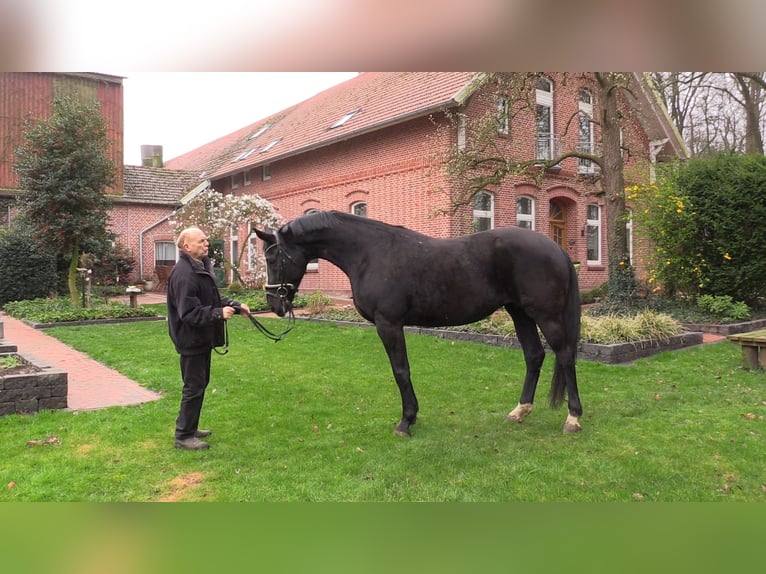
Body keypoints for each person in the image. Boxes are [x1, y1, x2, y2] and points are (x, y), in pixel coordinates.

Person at [166, 226, 250, 450]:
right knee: (193, 386)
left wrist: (235, 305)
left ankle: (190, 428)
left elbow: (211, 298)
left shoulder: (199, 268)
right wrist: (217, 314)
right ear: (187, 246)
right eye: (201, 241)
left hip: (200, 339)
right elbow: (189, 313)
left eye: (206, 240)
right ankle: (183, 436)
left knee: (199, 384)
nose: (206, 244)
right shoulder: (184, 274)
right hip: (190, 340)